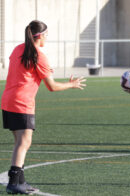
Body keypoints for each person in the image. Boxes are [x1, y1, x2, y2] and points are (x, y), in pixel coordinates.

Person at [1, 20, 86, 194]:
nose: (47, 38)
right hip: (22, 103)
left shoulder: (18, 49)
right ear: (39, 36)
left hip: (8, 100)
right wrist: (72, 84)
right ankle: (14, 182)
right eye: (46, 35)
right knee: (24, 143)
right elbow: (52, 86)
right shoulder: (39, 56)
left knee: (20, 142)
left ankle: (20, 181)